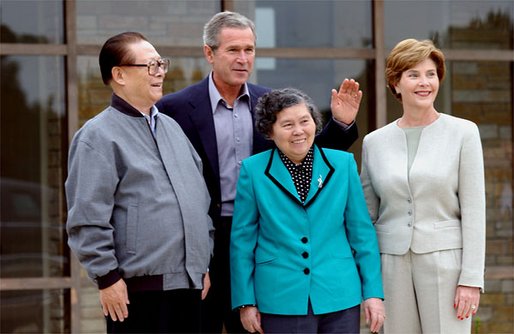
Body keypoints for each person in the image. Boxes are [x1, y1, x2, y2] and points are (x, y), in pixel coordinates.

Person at [156, 11, 362, 333]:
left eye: (249, 50)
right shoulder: (176, 108)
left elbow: (304, 153)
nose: (243, 59)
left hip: (265, 240)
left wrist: (340, 125)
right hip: (205, 238)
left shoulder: (272, 102)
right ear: (209, 53)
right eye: (233, 50)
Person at [65, 32, 214, 333]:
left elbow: (199, 200)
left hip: (190, 285)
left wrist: (202, 264)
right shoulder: (97, 136)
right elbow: (87, 216)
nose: (159, 72)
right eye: (150, 65)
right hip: (137, 292)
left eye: (161, 64)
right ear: (119, 74)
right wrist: (107, 278)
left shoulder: (171, 128)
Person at [230, 88, 385, 334]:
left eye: (305, 121)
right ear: (270, 131)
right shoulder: (253, 170)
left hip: (340, 293)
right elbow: (242, 241)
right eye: (287, 124)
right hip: (280, 296)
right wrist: (245, 301)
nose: (299, 131)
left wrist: (374, 293)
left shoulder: (342, 164)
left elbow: (362, 233)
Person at [360, 38, 486, 333]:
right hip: (391, 266)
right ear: (395, 83)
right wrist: (368, 283)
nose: (424, 82)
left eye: (430, 74)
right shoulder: (373, 142)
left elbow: (474, 211)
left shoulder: (463, 133)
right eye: (413, 75)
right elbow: (367, 217)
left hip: (447, 264)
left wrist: (470, 278)